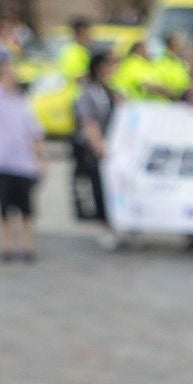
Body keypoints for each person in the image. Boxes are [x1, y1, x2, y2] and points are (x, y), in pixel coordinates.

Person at [0, 56, 46, 263]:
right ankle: (6, 247)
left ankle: (27, 246)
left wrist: (41, 158)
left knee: (26, 209)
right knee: (3, 207)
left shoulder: (23, 102)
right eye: (7, 73)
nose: (12, 77)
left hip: (23, 164)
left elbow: (35, 133)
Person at [71, 50, 120, 247]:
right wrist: (99, 147)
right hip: (96, 148)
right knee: (100, 188)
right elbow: (88, 122)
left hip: (114, 145)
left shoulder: (111, 91)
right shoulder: (89, 93)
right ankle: (105, 225)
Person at [60, 18, 94, 84]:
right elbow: (80, 79)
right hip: (77, 90)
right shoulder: (73, 53)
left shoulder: (82, 51)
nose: (90, 37)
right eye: (87, 33)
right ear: (78, 34)